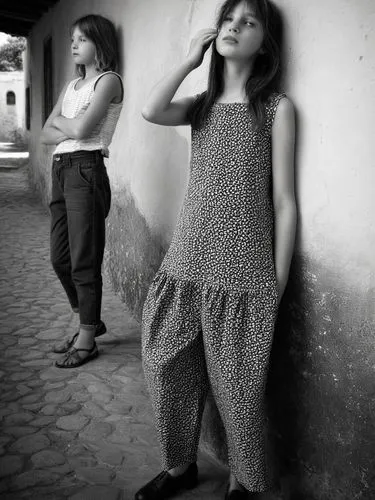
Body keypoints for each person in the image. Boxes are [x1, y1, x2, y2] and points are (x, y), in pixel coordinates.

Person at [136, 0, 296, 498]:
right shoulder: (200, 104)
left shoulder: (274, 107)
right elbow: (150, 109)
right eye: (228, 19)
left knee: (239, 391)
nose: (234, 27)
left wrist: (279, 277)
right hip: (187, 257)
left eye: (248, 22)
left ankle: (244, 482)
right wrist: (188, 60)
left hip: (243, 268)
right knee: (165, 365)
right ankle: (178, 466)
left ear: (264, 42)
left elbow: (285, 201)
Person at [40, 14, 123, 369]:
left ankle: (87, 338)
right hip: (60, 170)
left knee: (83, 260)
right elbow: (46, 132)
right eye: (72, 38)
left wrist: (64, 124)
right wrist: (66, 125)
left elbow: (86, 128)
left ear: (99, 44)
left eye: (81, 39)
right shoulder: (72, 87)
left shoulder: (108, 81)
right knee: (60, 258)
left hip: (86, 171)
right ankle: (89, 319)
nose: (73, 44)